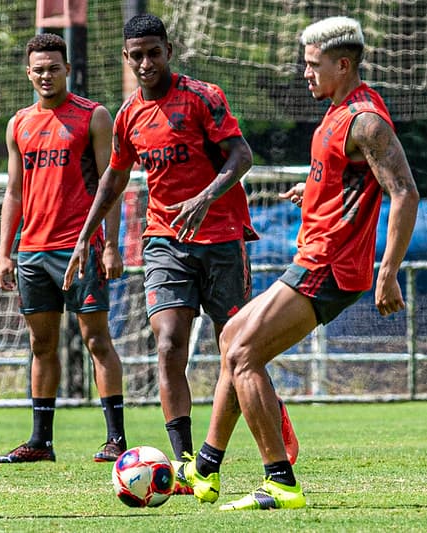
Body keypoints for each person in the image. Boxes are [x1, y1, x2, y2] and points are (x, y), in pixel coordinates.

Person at [182, 16, 420, 510]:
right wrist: (310, 191)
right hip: (314, 258)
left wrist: (389, 271)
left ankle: (280, 481)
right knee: (230, 340)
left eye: (313, 65)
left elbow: (404, 192)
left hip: (330, 266)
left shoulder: (365, 120)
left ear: (344, 64)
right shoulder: (337, 113)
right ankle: (205, 469)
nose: (305, 73)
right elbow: (346, 180)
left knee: (244, 353)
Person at [62, 13, 298, 495]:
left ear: (169, 51)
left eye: (154, 52)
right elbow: (113, 177)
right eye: (136, 55)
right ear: (126, 59)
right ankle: (187, 464)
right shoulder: (128, 115)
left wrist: (206, 196)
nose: (146, 62)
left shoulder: (202, 98)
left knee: (236, 350)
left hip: (223, 240)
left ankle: (271, 435)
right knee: (168, 344)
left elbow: (242, 155)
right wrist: (85, 237)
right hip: (165, 241)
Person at [0, 33, 128, 464]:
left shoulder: (94, 117)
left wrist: (109, 246)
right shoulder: (18, 124)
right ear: (27, 73)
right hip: (32, 251)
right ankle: (40, 442)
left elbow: (112, 185)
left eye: (54, 67)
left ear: (67, 69)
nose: (46, 75)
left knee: (96, 340)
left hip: (81, 248)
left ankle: (116, 439)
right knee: (40, 345)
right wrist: (5, 252)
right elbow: (13, 192)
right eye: (39, 68)